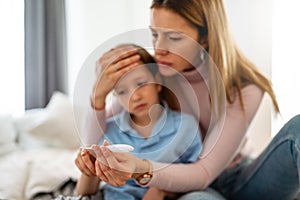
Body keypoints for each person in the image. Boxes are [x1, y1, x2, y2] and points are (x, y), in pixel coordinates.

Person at [83, 0, 300, 200]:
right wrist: (98, 96)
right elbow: (95, 138)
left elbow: (204, 172)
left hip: (240, 179)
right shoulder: (159, 75)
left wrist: (143, 169)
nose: (159, 49)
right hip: (188, 189)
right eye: (155, 35)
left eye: (174, 38)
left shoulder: (245, 86)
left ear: (205, 38)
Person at [75, 44, 202, 200]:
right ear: (116, 96)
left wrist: (161, 190)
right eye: (122, 91)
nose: (135, 97)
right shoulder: (110, 132)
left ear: (157, 81)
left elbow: (196, 179)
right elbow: (83, 193)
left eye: (141, 84)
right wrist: (89, 168)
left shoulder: (185, 126)